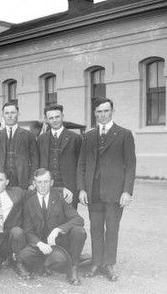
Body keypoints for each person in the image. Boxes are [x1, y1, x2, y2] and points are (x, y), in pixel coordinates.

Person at [77, 98, 136, 282]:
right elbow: (81, 164)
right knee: (95, 228)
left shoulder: (124, 134)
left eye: (106, 111)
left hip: (115, 192)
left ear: (112, 111)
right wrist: (82, 189)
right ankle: (96, 262)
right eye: (99, 112)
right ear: (95, 113)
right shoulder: (89, 135)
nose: (102, 115)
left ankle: (109, 264)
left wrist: (127, 191)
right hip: (93, 191)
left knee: (111, 229)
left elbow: (131, 165)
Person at [18, 168, 86, 285]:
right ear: (34, 184)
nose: (43, 185)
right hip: (40, 244)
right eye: (39, 182)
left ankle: (72, 268)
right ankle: (47, 265)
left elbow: (78, 219)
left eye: (46, 182)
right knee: (24, 255)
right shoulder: (29, 202)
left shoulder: (60, 197)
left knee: (79, 231)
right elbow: (27, 231)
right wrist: (39, 244)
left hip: (58, 243)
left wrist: (58, 230)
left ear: (52, 183)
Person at [37, 105, 82, 210]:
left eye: (57, 117)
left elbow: (80, 165)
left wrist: (78, 189)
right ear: (46, 120)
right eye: (51, 118)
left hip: (69, 188)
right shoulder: (41, 139)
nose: (54, 120)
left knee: (68, 220)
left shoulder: (75, 138)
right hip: (47, 187)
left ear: (63, 116)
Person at [0, 102, 39, 189]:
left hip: (22, 179)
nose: (9, 116)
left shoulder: (28, 136)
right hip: (1, 180)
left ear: (18, 114)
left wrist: (32, 181)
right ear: (2, 115)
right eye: (7, 113)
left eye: (12, 113)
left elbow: (35, 161)